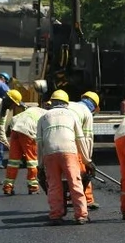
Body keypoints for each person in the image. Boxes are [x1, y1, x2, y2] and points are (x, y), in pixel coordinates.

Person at [36, 90, 95, 225]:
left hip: (50, 153)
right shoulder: (71, 115)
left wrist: (40, 165)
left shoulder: (43, 117)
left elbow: (39, 143)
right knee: (75, 183)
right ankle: (81, 215)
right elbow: (80, 139)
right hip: (69, 152)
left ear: (52, 102)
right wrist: (87, 161)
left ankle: (55, 215)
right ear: (66, 103)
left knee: (54, 185)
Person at [2, 96, 48, 196]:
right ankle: (33, 187)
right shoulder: (47, 115)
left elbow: (13, 119)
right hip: (28, 132)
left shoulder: (32, 110)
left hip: (15, 130)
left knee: (13, 161)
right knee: (32, 161)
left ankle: (8, 187)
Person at [69, 91, 101, 211]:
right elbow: (87, 138)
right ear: (94, 106)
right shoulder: (86, 112)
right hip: (73, 141)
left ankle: (64, 199)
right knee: (83, 171)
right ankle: (87, 200)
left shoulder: (70, 104)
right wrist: (88, 160)